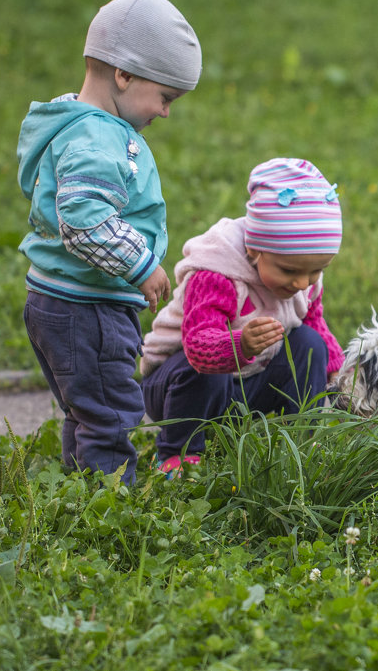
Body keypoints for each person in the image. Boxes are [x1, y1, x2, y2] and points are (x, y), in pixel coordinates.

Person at [17, 0, 202, 484]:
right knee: (113, 414)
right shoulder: (98, 137)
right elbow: (83, 220)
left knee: (88, 411)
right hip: (88, 309)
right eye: (165, 97)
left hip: (57, 300)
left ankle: (80, 492)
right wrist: (141, 264)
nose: (165, 112)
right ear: (123, 75)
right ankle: (111, 508)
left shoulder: (72, 122)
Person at [141, 157, 345, 475]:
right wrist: (241, 345)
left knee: (309, 343)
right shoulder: (217, 273)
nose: (302, 283)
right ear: (254, 249)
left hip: (245, 387)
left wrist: (338, 373)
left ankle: (307, 442)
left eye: (317, 270)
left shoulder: (304, 279)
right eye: (290, 271)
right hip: (176, 389)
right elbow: (197, 344)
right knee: (205, 368)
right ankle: (178, 454)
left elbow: (314, 321)